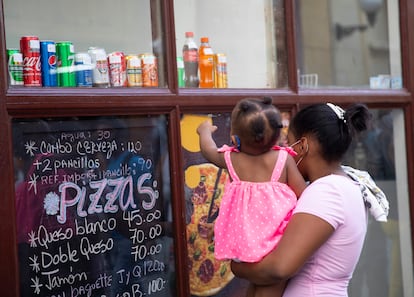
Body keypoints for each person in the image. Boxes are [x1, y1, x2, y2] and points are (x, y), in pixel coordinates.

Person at [231, 102, 373, 296]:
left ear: (304, 145)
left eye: (289, 143)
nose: (284, 151)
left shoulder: (327, 190)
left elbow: (279, 268)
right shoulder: (346, 184)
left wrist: (236, 267)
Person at [196, 97, 307, 297]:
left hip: (245, 244)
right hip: (277, 243)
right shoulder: (283, 159)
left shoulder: (232, 159)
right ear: (277, 135)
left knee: (254, 287)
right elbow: (303, 194)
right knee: (270, 287)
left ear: (235, 139)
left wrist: (204, 131)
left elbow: (208, 151)